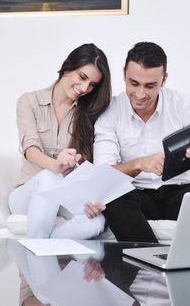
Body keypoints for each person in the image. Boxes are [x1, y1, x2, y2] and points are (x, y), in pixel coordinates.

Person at [93, 42, 190, 243]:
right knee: (112, 195)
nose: (140, 94)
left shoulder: (184, 106)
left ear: (164, 80)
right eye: (134, 83)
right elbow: (102, 176)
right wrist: (139, 164)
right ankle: (150, 261)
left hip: (180, 196)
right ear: (124, 74)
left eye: (150, 86)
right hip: (136, 198)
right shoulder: (110, 112)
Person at [9, 43, 112, 239]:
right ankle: (39, 253)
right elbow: (30, 150)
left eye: (92, 85)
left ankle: (41, 255)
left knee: (96, 222)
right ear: (67, 65)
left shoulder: (88, 113)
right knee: (50, 177)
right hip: (27, 194)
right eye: (82, 77)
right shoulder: (29, 101)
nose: (84, 88)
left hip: (65, 195)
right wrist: (56, 165)